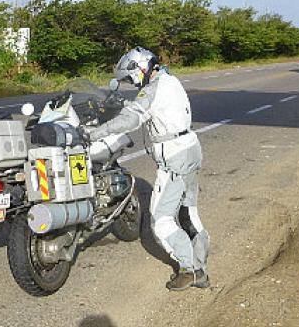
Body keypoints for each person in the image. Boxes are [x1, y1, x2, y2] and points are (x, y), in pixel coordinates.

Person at [87, 46, 209, 291]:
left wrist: (94, 133)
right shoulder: (169, 80)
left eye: (131, 77)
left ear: (140, 68)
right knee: (189, 213)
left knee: (161, 220)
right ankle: (201, 264)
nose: (133, 83)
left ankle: (189, 269)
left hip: (174, 157)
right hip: (190, 147)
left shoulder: (152, 89)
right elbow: (147, 106)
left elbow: (131, 119)